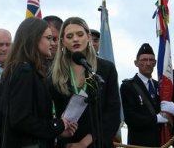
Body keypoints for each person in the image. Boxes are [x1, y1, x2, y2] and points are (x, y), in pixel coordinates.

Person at [0, 17, 77, 148]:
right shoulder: (24, 71)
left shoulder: (27, 70)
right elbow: (21, 120)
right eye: (48, 38)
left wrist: (57, 131)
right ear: (33, 39)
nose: (53, 44)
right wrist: (59, 124)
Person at [50, 16, 121, 147]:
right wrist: (59, 131)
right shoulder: (54, 73)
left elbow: (113, 114)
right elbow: (47, 114)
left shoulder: (106, 68)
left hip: (97, 143)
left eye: (80, 34)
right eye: (69, 36)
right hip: (66, 144)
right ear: (63, 41)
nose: (75, 39)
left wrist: (84, 143)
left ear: (88, 36)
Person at [120, 43, 174, 147]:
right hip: (139, 143)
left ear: (155, 63)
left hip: (161, 142)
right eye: (144, 60)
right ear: (136, 63)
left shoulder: (160, 86)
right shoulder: (128, 86)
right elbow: (130, 118)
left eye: (151, 60)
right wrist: (155, 119)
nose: (148, 63)